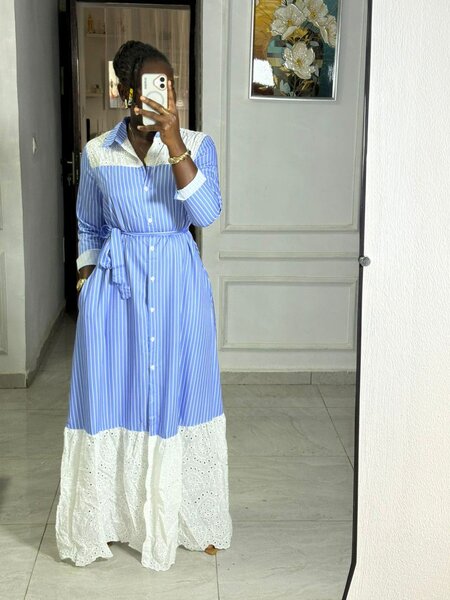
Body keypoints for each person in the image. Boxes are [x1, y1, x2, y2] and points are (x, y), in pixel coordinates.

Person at [55, 40, 232, 571]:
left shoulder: (197, 144)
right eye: (153, 85)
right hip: (117, 293)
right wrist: (87, 281)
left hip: (179, 290)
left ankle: (191, 518)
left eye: (169, 84)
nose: (164, 93)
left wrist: (173, 141)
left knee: (184, 396)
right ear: (128, 93)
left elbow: (206, 212)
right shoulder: (97, 153)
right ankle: (110, 521)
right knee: (114, 398)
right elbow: (88, 224)